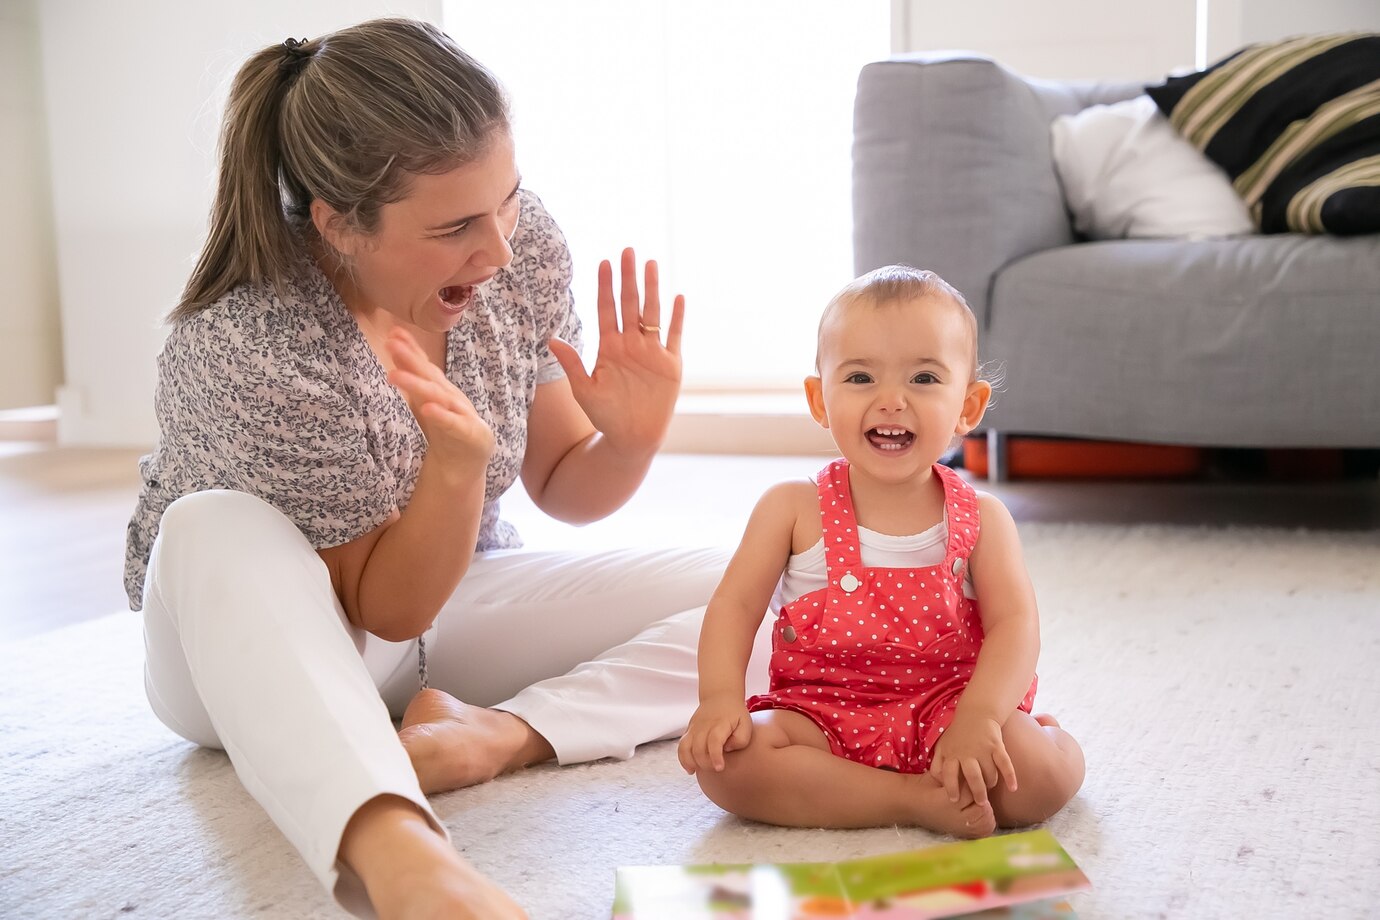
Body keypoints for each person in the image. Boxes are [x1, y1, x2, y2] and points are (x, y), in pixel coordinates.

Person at [126, 18, 772, 920]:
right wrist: (455, 471)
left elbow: (560, 481)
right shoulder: (247, 344)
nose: (500, 248)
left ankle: (498, 738)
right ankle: (408, 870)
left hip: (454, 600)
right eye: (458, 225)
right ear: (339, 224)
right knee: (211, 526)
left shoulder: (517, 245)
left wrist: (626, 440)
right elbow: (383, 609)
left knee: (793, 586)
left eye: (506, 198)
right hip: (253, 644)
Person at [676, 265, 1085, 837]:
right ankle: (908, 799)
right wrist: (719, 699)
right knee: (729, 768)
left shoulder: (982, 519)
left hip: (951, 711)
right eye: (861, 378)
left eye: (923, 378)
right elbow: (734, 608)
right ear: (819, 399)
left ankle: (1047, 735)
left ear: (968, 407)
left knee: (1036, 779)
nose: (891, 400)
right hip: (821, 715)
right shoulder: (792, 509)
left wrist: (982, 717)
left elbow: (1017, 625)